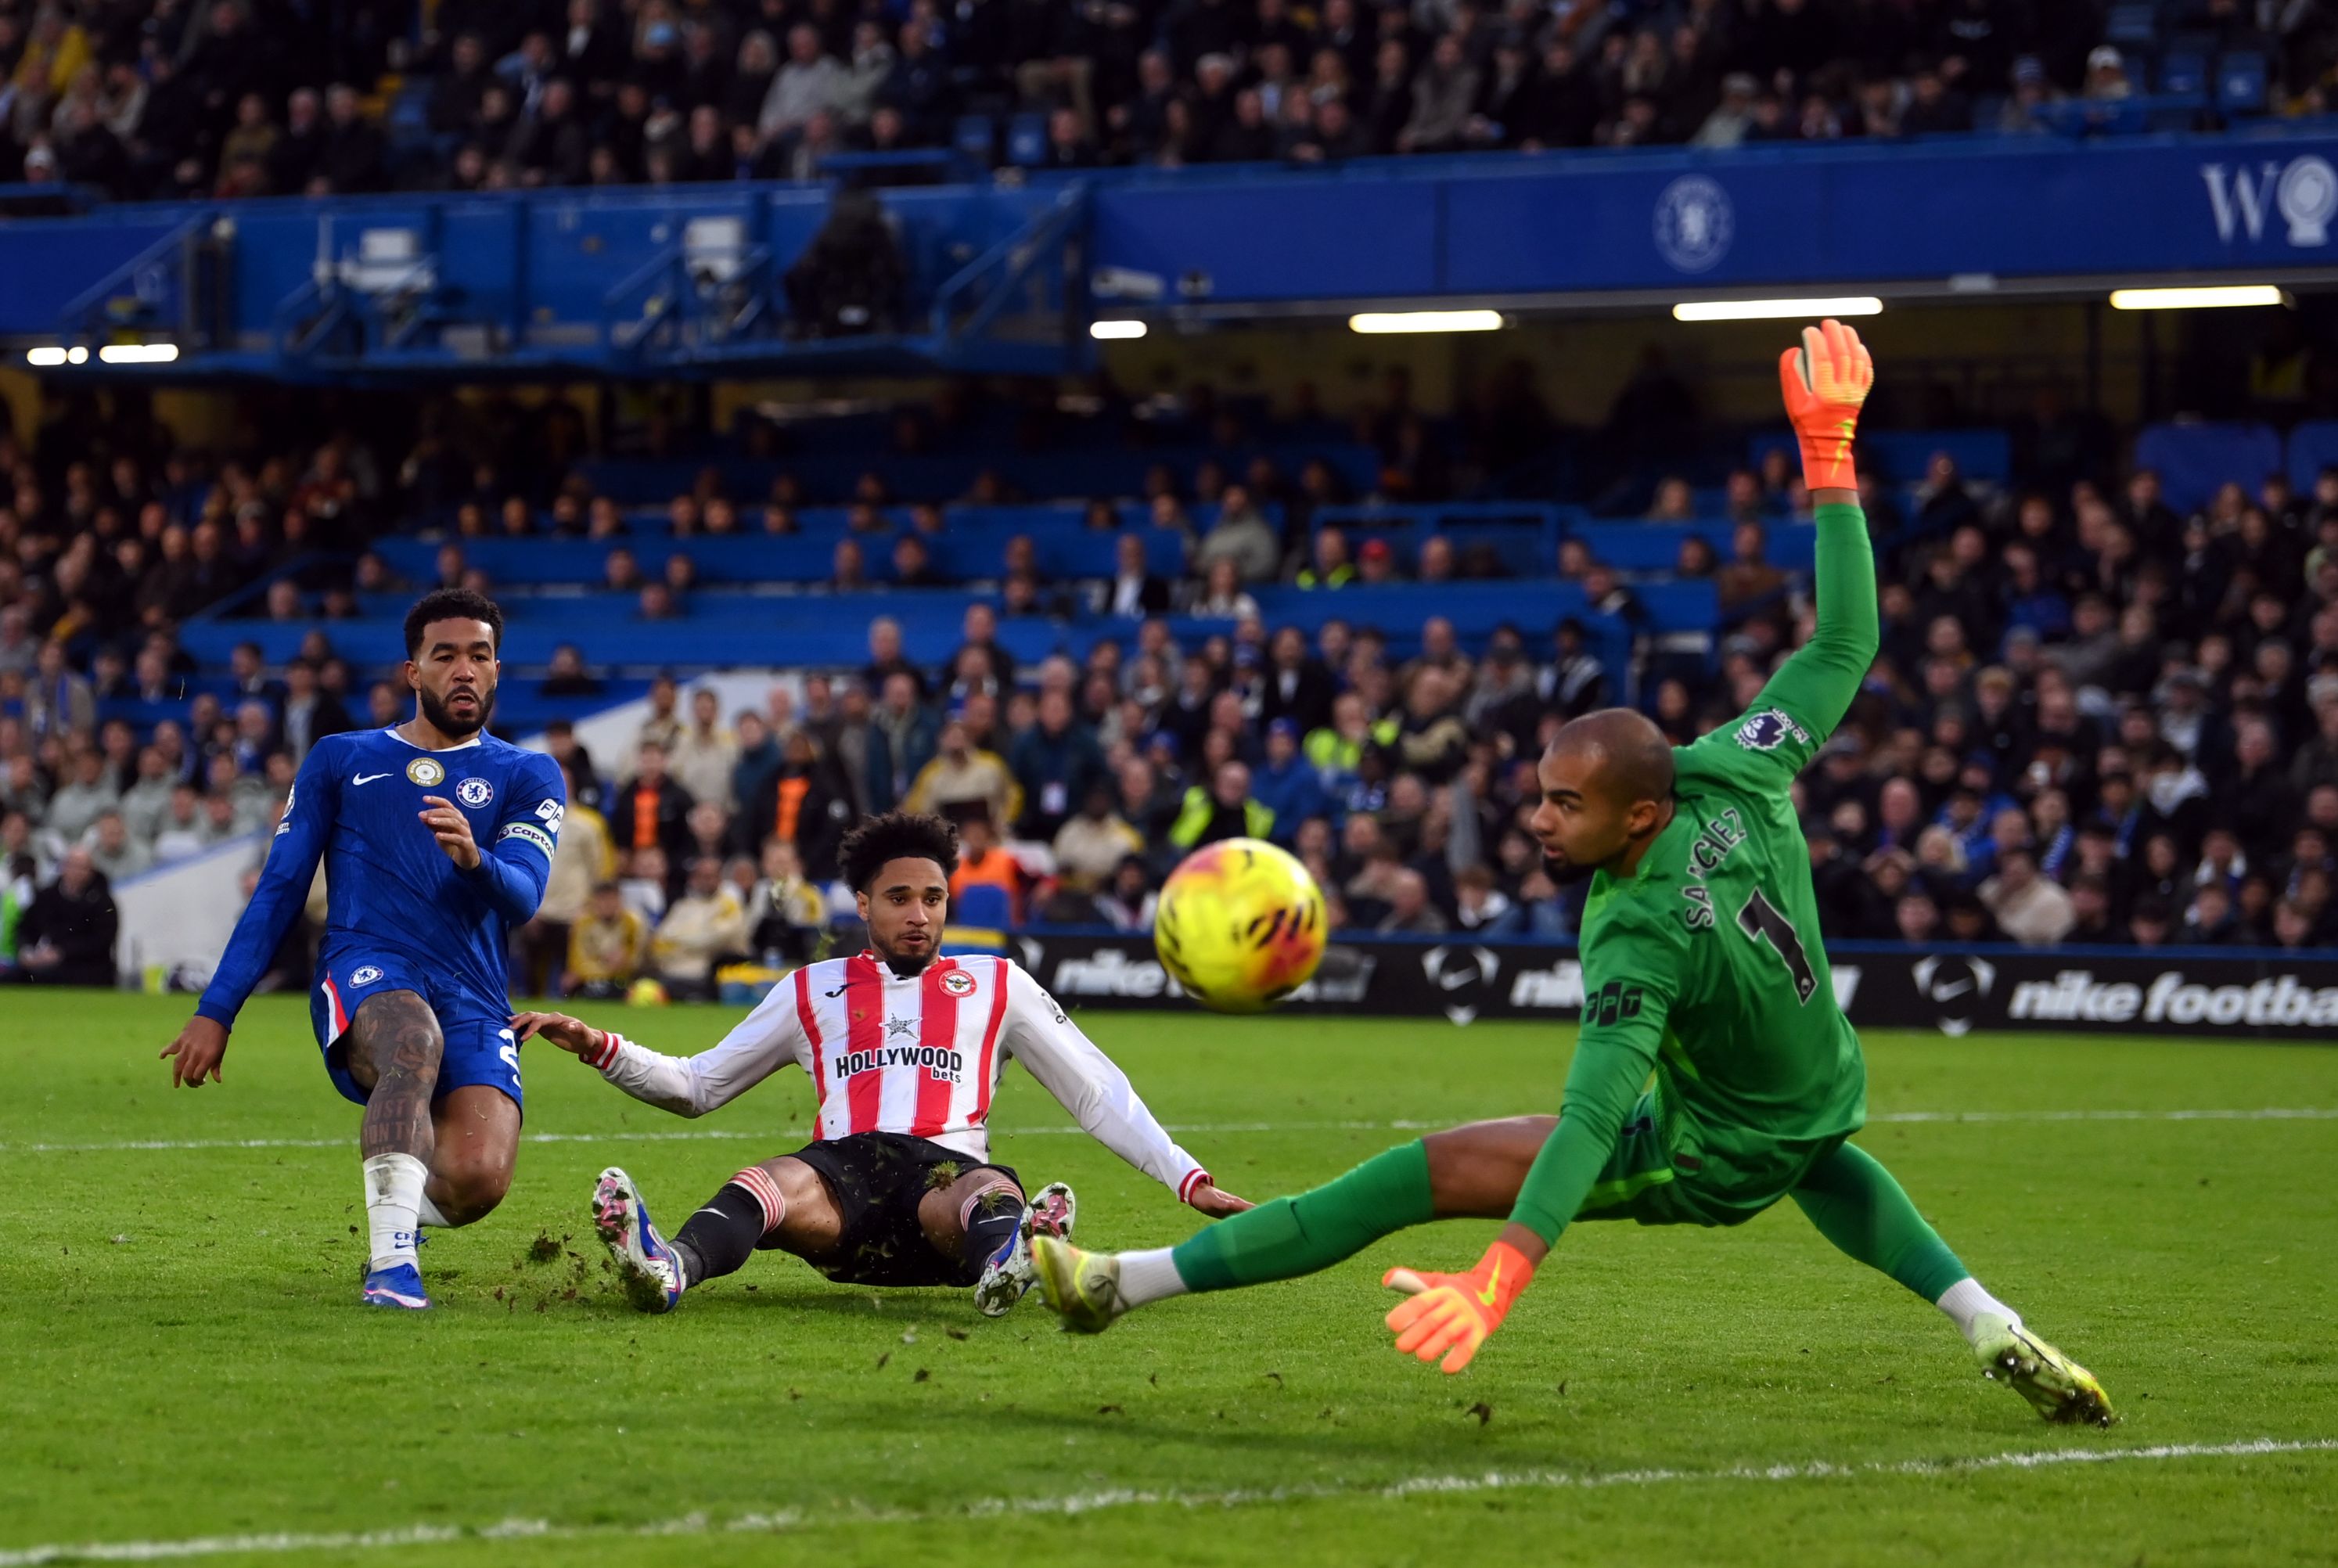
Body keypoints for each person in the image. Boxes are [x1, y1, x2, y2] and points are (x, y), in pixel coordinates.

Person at [1032, 322, 2112, 1427]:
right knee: (1820, 1159)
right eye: (1544, 793)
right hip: (1817, 1087)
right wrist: (1829, 457)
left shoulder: (1636, 928)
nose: (1538, 820)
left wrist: (1500, 1275)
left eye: (1565, 805)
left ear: (1638, 815)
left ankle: (1123, 1284)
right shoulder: (1739, 766)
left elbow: (1591, 1121)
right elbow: (1844, 643)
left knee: (1403, 1182)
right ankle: (1989, 1319)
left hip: (1708, 1153)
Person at [511, 811, 1249, 1320]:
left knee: (985, 1188)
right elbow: (699, 1086)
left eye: (933, 898)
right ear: (863, 903)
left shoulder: (998, 983)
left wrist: (1187, 1179)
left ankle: (1006, 1258)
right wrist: (601, 1046)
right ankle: (667, 1268)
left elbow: (1095, 1091)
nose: (919, 915)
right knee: (767, 1181)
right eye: (899, 899)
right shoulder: (812, 988)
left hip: (944, 1184)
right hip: (843, 1190)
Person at [158, 589, 567, 1312]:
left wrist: (476, 860)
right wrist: (217, 1009)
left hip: (473, 990)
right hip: (367, 965)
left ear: (497, 670)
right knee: (412, 1040)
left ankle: (400, 1211)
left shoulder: (528, 774)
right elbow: (281, 888)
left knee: (477, 1180)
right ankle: (392, 1266)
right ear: (413, 671)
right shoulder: (342, 758)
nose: (464, 670)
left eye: (479, 656)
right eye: (445, 656)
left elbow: (524, 896)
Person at [7, 846, 118, 986]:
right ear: (64, 867)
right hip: (44, 961)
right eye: (73, 865)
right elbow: (24, 927)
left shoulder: (102, 902)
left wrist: (62, 952)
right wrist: (26, 950)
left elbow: (101, 941)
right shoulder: (46, 897)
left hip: (87, 967)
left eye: (83, 867)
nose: (77, 872)